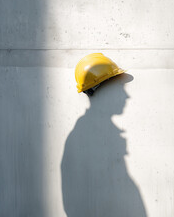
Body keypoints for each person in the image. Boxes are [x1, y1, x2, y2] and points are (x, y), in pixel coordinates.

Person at [61, 74, 146, 217]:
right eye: (119, 89)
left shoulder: (102, 133)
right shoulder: (86, 136)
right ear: (96, 90)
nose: (126, 96)